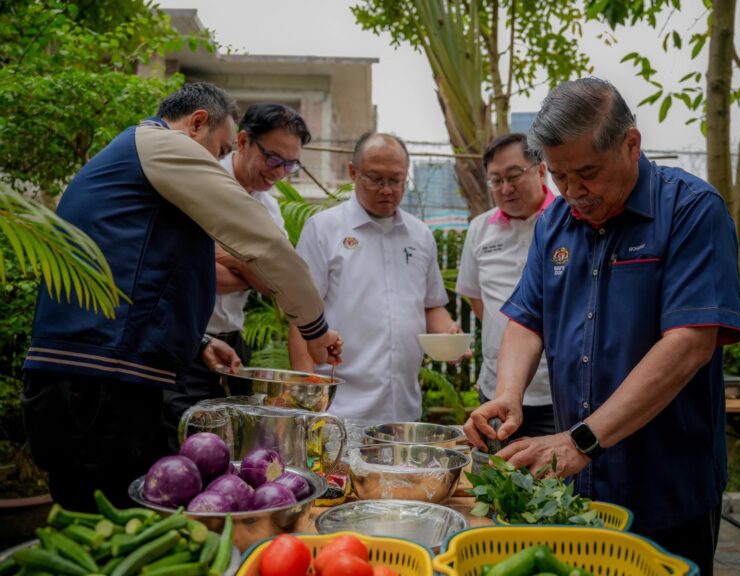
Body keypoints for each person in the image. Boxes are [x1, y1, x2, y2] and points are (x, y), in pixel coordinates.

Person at [463, 77, 740, 575]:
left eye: (587, 173)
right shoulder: (557, 223)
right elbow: (527, 320)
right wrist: (508, 394)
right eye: (558, 176)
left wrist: (581, 440)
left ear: (630, 143)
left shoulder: (691, 211)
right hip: (577, 489)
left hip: (667, 486)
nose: (573, 192)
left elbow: (688, 345)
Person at [21, 82, 342, 511]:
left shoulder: (136, 164)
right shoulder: (161, 145)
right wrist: (314, 327)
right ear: (195, 124)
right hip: (97, 388)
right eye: (221, 149)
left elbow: (132, 278)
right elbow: (262, 242)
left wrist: (200, 342)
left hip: (95, 383)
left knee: (113, 525)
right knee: (108, 530)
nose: (218, 164)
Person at [288, 132, 461, 425]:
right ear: (353, 172)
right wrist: (308, 406)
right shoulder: (323, 229)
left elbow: (431, 305)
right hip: (337, 411)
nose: (386, 190)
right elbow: (300, 317)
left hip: (404, 409)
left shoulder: (420, 235)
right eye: (375, 179)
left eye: (396, 181)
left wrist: (449, 335)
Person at [163, 102, 309, 448]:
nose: (280, 171)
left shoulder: (268, 207)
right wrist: (250, 264)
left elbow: (274, 280)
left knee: (230, 449)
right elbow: (181, 270)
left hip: (233, 345)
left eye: (291, 164)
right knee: (180, 448)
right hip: (187, 341)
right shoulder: (200, 182)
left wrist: (229, 259)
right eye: (274, 158)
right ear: (243, 141)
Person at [456, 133, 555, 441]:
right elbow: (476, 297)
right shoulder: (480, 229)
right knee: (495, 479)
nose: (506, 189)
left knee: (555, 485)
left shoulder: (569, 221)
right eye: (496, 181)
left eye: (514, 176)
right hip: (496, 391)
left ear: (540, 171)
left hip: (557, 394)